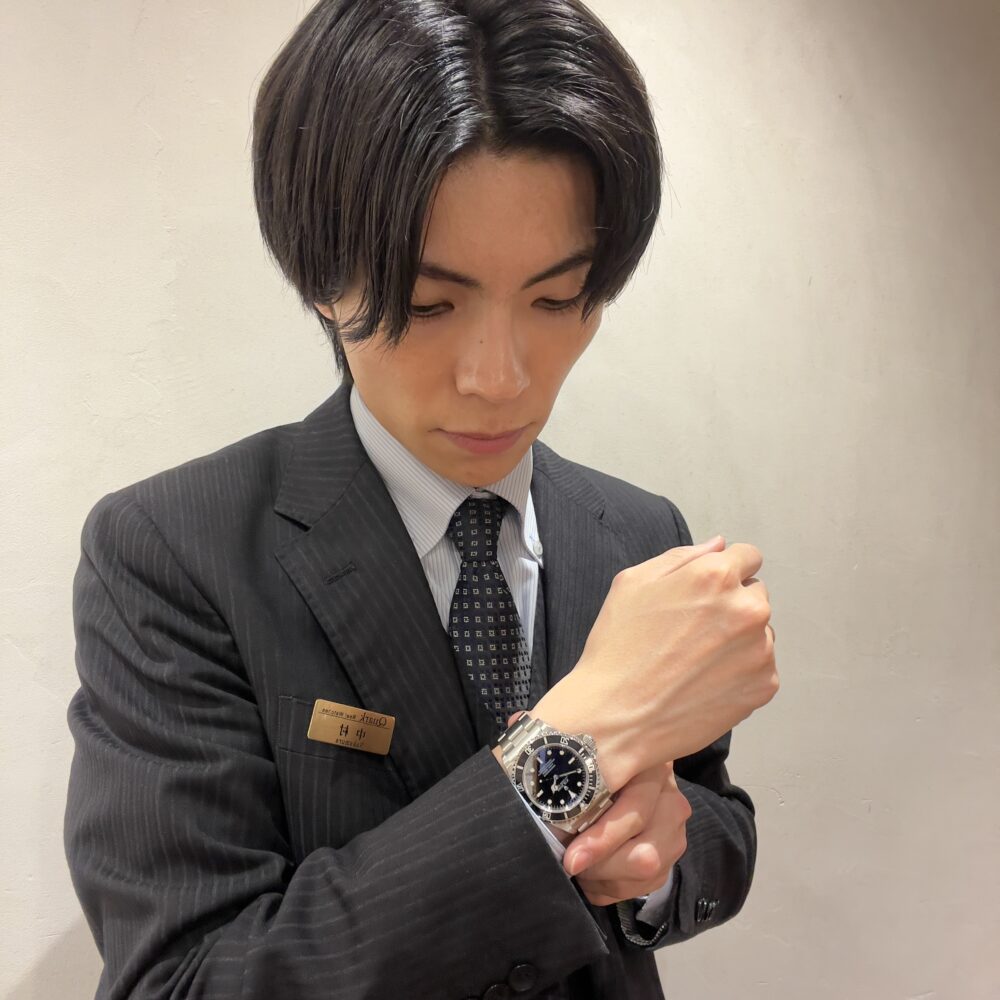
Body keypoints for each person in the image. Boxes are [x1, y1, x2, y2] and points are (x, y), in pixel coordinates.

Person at [63, 1, 779, 997]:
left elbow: (711, 813)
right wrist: (569, 755)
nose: (498, 377)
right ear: (322, 278)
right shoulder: (175, 552)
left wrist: (657, 869)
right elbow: (184, 978)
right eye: (428, 303)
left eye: (556, 297)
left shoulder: (636, 531)